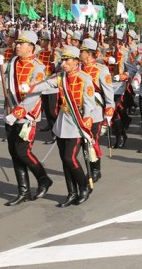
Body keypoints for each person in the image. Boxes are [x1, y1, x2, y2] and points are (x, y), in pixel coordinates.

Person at [28, 45, 97, 206]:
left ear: (75, 62)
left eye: (66, 60)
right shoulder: (61, 77)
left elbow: (89, 103)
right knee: (64, 160)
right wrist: (30, 88)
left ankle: (84, 186)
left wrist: (87, 120)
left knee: (69, 157)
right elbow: (46, 84)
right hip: (62, 123)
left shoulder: (84, 78)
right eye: (63, 60)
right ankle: (71, 192)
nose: (63, 63)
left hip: (77, 123)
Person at [0, 30, 53, 206]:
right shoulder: (13, 61)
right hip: (11, 111)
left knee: (23, 152)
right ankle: (23, 190)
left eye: (21, 43)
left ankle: (43, 178)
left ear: (30, 47)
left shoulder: (38, 67)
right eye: (17, 43)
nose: (17, 46)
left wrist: (16, 114)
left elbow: (33, 97)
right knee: (14, 153)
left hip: (27, 116)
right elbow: (4, 80)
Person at [79, 38, 115, 181]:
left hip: (95, 112)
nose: (80, 54)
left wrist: (109, 111)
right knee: (83, 143)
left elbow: (108, 93)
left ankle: (95, 169)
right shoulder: (78, 69)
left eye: (82, 52)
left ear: (88, 54)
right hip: (79, 111)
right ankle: (88, 165)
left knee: (91, 141)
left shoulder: (101, 70)